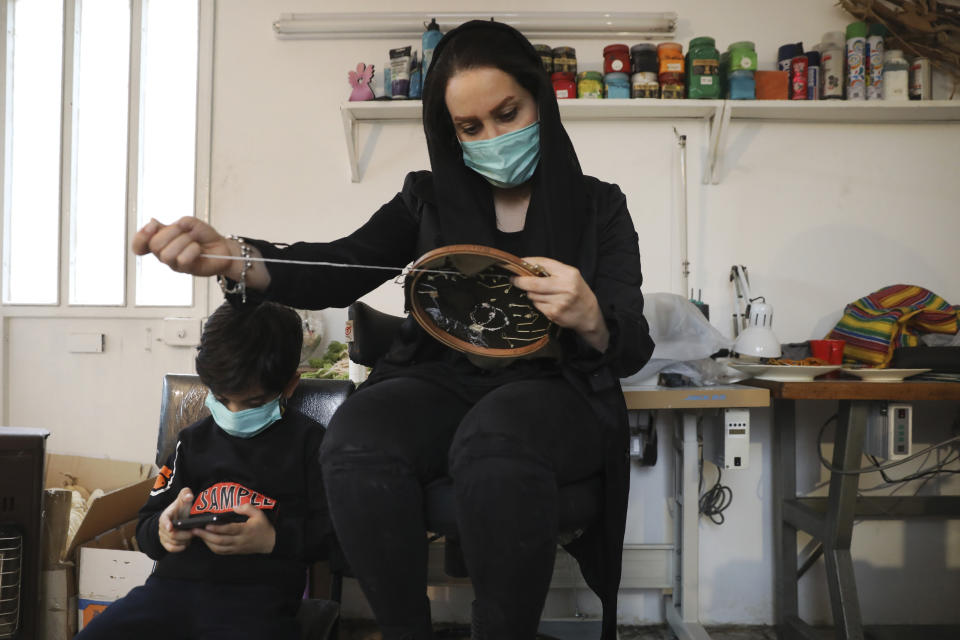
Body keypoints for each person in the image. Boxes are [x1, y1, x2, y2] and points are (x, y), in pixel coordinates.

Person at [133, 19, 654, 640]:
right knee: (356, 439)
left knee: (498, 439)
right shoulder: (427, 201)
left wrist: (591, 315)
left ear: (540, 98)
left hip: (554, 387)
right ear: (448, 131)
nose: (493, 137)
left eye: (508, 113)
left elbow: (631, 346)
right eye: (470, 127)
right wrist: (236, 258)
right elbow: (341, 265)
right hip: (439, 381)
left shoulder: (601, 208)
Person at [76, 301, 332, 640]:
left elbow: (335, 537)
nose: (234, 412)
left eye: (253, 403)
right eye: (222, 399)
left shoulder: (311, 444)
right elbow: (146, 530)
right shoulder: (191, 441)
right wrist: (165, 531)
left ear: (289, 386)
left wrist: (273, 539)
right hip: (169, 593)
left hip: (255, 603)